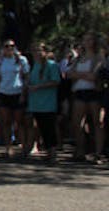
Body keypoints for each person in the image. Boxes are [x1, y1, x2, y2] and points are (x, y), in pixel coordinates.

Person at [65, 33, 104, 162]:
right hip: (79, 91)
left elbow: (94, 76)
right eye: (85, 40)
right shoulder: (79, 58)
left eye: (89, 40)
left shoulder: (98, 58)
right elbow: (69, 74)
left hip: (93, 92)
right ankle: (80, 151)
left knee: (96, 123)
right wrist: (83, 75)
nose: (86, 42)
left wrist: (78, 74)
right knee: (77, 123)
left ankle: (98, 153)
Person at [24, 41, 60, 162]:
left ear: (45, 51)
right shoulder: (34, 65)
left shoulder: (51, 65)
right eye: (34, 50)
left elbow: (56, 81)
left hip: (48, 102)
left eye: (39, 50)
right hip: (35, 103)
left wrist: (39, 87)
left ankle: (53, 152)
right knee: (40, 128)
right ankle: (47, 151)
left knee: (49, 127)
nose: (37, 53)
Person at [0, 38, 29, 158]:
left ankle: (24, 148)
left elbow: (25, 77)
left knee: (19, 122)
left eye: (12, 46)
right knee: (6, 122)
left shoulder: (21, 60)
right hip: (4, 93)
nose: (9, 48)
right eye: (7, 46)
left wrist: (24, 94)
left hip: (17, 92)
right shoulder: (0, 61)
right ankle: (8, 148)